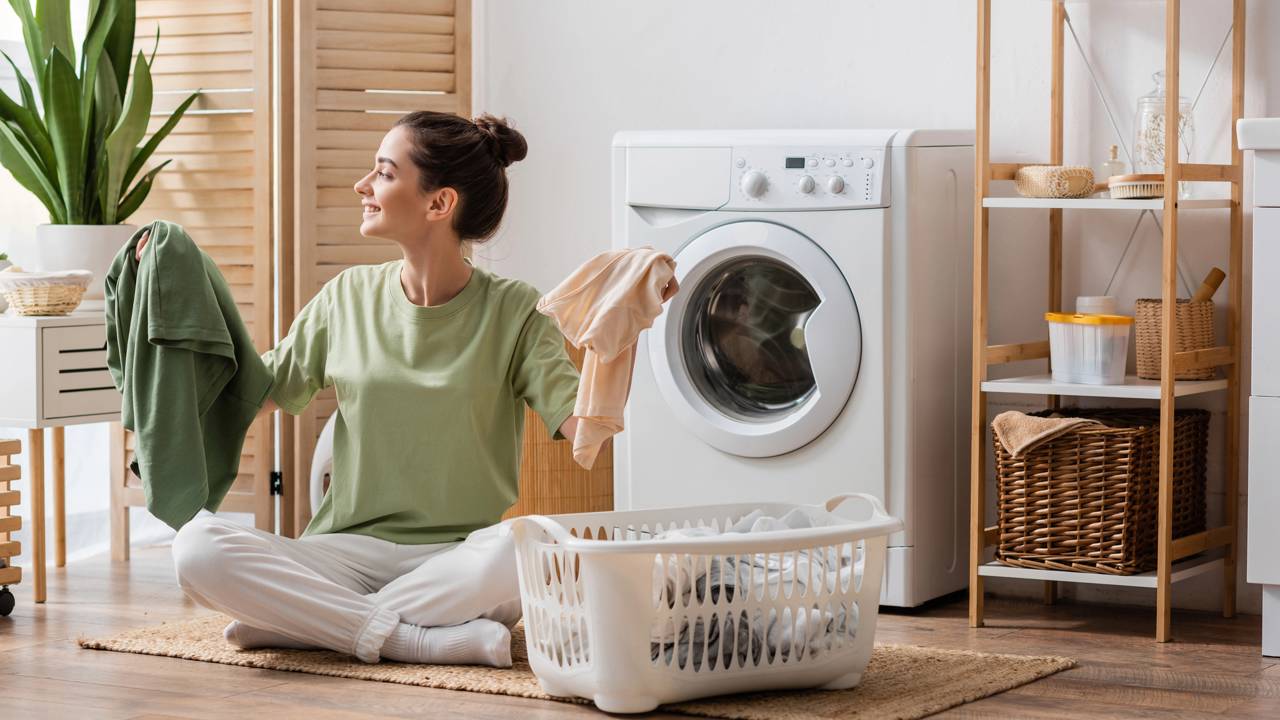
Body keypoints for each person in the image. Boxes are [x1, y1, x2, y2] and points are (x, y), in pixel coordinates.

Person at [149, 112, 580, 667]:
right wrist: (174, 278)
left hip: (459, 560)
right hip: (343, 552)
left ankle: (308, 624)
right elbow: (256, 390)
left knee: (527, 548)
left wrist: (626, 329)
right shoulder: (346, 295)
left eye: (383, 173)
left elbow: (584, 429)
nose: (362, 187)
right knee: (198, 548)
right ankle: (411, 640)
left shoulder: (517, 309)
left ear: (438, 204)